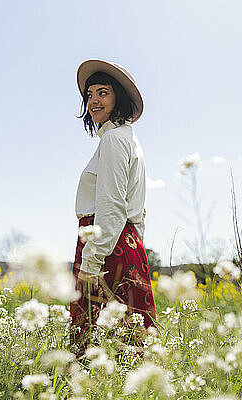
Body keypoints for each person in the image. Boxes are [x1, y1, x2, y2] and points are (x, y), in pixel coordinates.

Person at [70, 59, 157, 355]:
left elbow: (112, 206)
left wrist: (91, 263)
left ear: (118, 97)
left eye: (103, 93)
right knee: (130, 341)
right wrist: (136, 247)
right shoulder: (127, 139)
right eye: (90, 95)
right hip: (126, 244)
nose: (94, 100)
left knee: (98, 343)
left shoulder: (114, 140)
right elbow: (136, 213)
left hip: (106, 246)